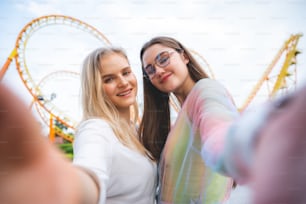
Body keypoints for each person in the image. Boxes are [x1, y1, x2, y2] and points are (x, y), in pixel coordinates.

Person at [0, 47, 157, 204]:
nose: (123, 82)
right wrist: (60, 189)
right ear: (95, 88)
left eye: (126, 72)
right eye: (109, 79)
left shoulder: (135, 131)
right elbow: (90, 174)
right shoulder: (95, 129)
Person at [138, 36, 240, 203]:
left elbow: (216, 119)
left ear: (184, 57)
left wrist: (225, 144)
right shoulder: (180, 123)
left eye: (163, 59)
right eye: (150, 70)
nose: (159, 71)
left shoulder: (205, 89)